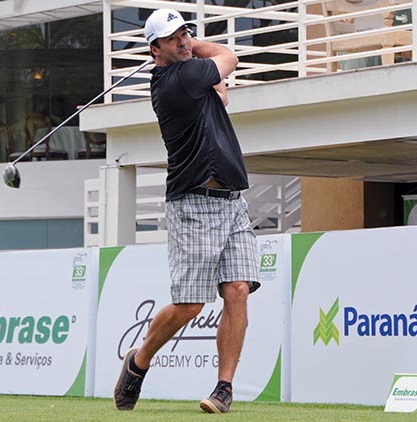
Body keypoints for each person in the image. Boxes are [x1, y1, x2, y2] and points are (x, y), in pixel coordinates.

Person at [113, 8, 260, 414]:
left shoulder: (191, 74)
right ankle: (138, 362)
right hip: (193, 203)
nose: (183, 40)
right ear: (154, 49)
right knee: (191, 305)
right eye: (173, 38)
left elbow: (221, 89)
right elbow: (229, 58)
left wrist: (207, 70)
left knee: (238, 289)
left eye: (186, 34)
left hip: (232, 199)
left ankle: (224, 388)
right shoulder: (177, 80)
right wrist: (198, 51)